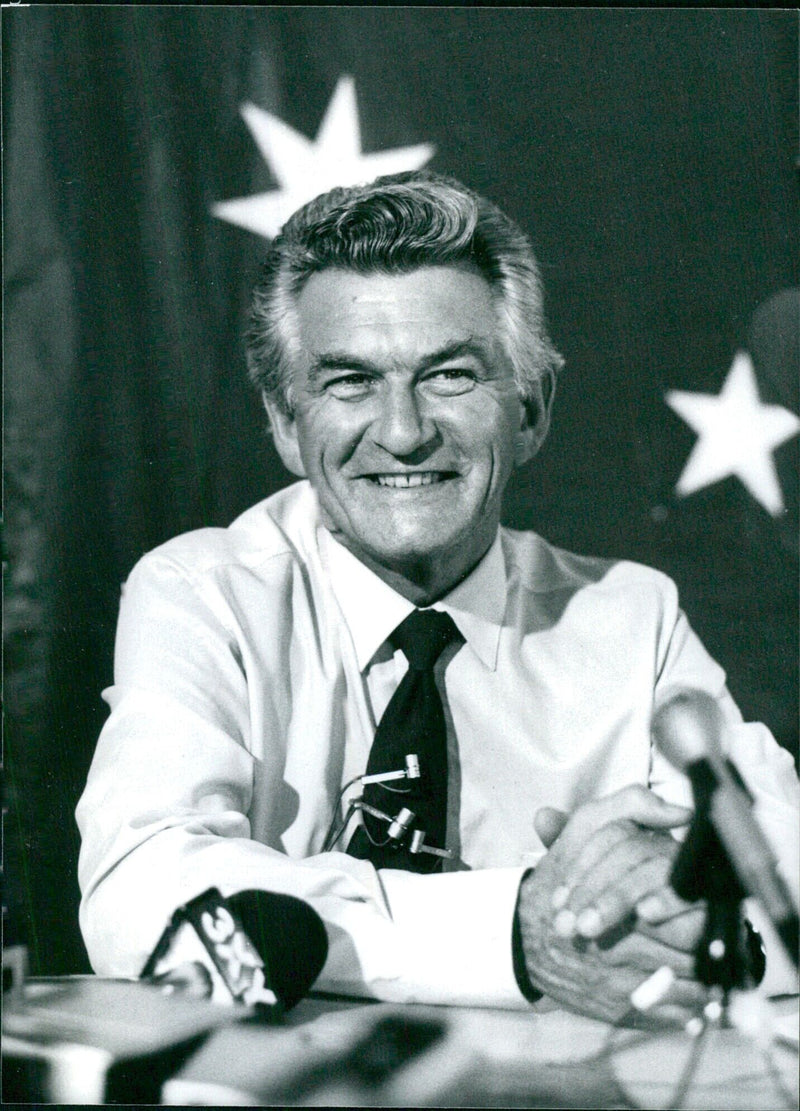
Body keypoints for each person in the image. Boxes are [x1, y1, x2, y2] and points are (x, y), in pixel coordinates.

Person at [76, 171, 798, 1024]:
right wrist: (510, 929)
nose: (404, 430)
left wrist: (678, 901)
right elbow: (142, 886)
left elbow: (780, 865)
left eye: (449, 376)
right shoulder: (203, 596)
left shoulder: (630, 617)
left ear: (530, 411)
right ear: (281, 420)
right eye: (349, 382)